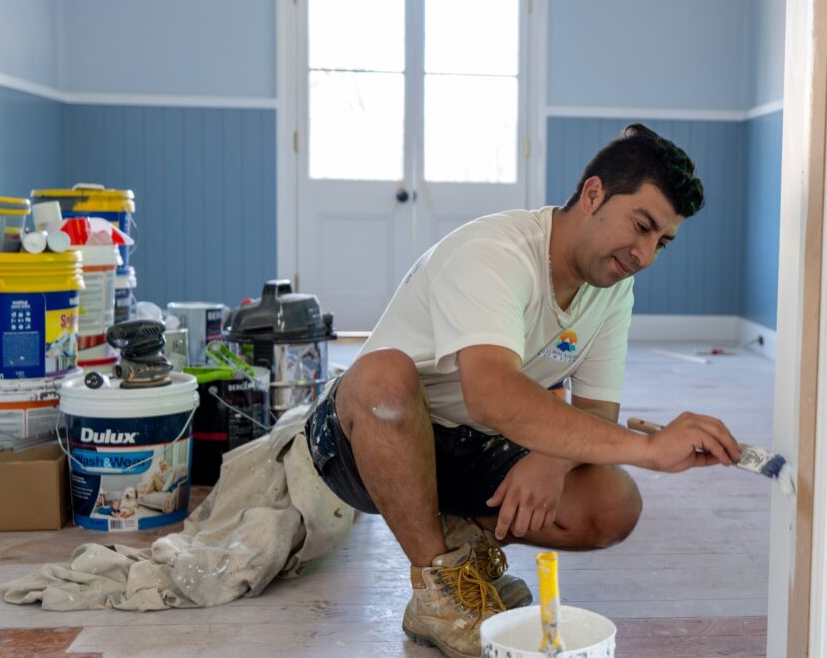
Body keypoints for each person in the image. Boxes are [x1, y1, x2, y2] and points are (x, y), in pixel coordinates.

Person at [304, 123, 743, 658]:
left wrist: (551, 461)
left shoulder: (613, 288)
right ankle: (436, 590)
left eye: (662, 242)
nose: (645, 255)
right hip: (362, 443)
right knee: (383, 377)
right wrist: (651, 449)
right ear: (593, 193)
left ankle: (462, 545)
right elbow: (492, 393)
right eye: (642, 225)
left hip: (472, 445)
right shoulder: (496, 252)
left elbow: (598, 413)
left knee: (612, 502)